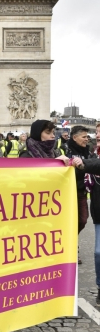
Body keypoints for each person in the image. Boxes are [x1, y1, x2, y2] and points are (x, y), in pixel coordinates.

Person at [72, 123, 100, 304]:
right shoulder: (94, 152)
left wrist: (83, 164)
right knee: (98, 252)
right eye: (97, 133)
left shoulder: (90, 156)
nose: (96, 136)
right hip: (99, 210)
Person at [65, 126, 91, 260]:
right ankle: (71, 248)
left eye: (87, 137)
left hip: (81, 191)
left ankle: (71, 241)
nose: (87, 139)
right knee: (67, 221)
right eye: (84, 137)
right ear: (74, 138)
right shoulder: (65, 149)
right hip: (66, 193)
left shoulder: (88, 151)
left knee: (82, 220)